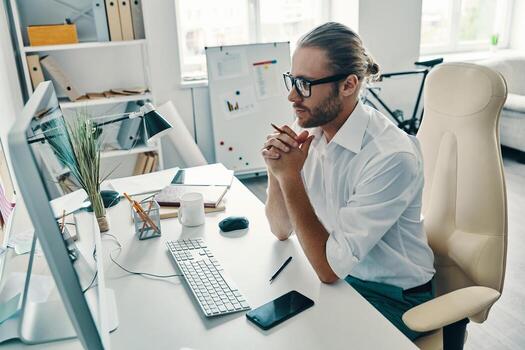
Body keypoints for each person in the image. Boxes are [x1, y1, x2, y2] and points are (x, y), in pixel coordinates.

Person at [262, 22, 435, 341]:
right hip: (343, 279)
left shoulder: (390, 156)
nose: (291, 95)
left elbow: (327, 271)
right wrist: (277, 171)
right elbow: (280, 229)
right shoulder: (312, 130)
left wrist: (291, 178)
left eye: (304, 84)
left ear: (348, 85)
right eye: (292, 80)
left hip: (394, 298)